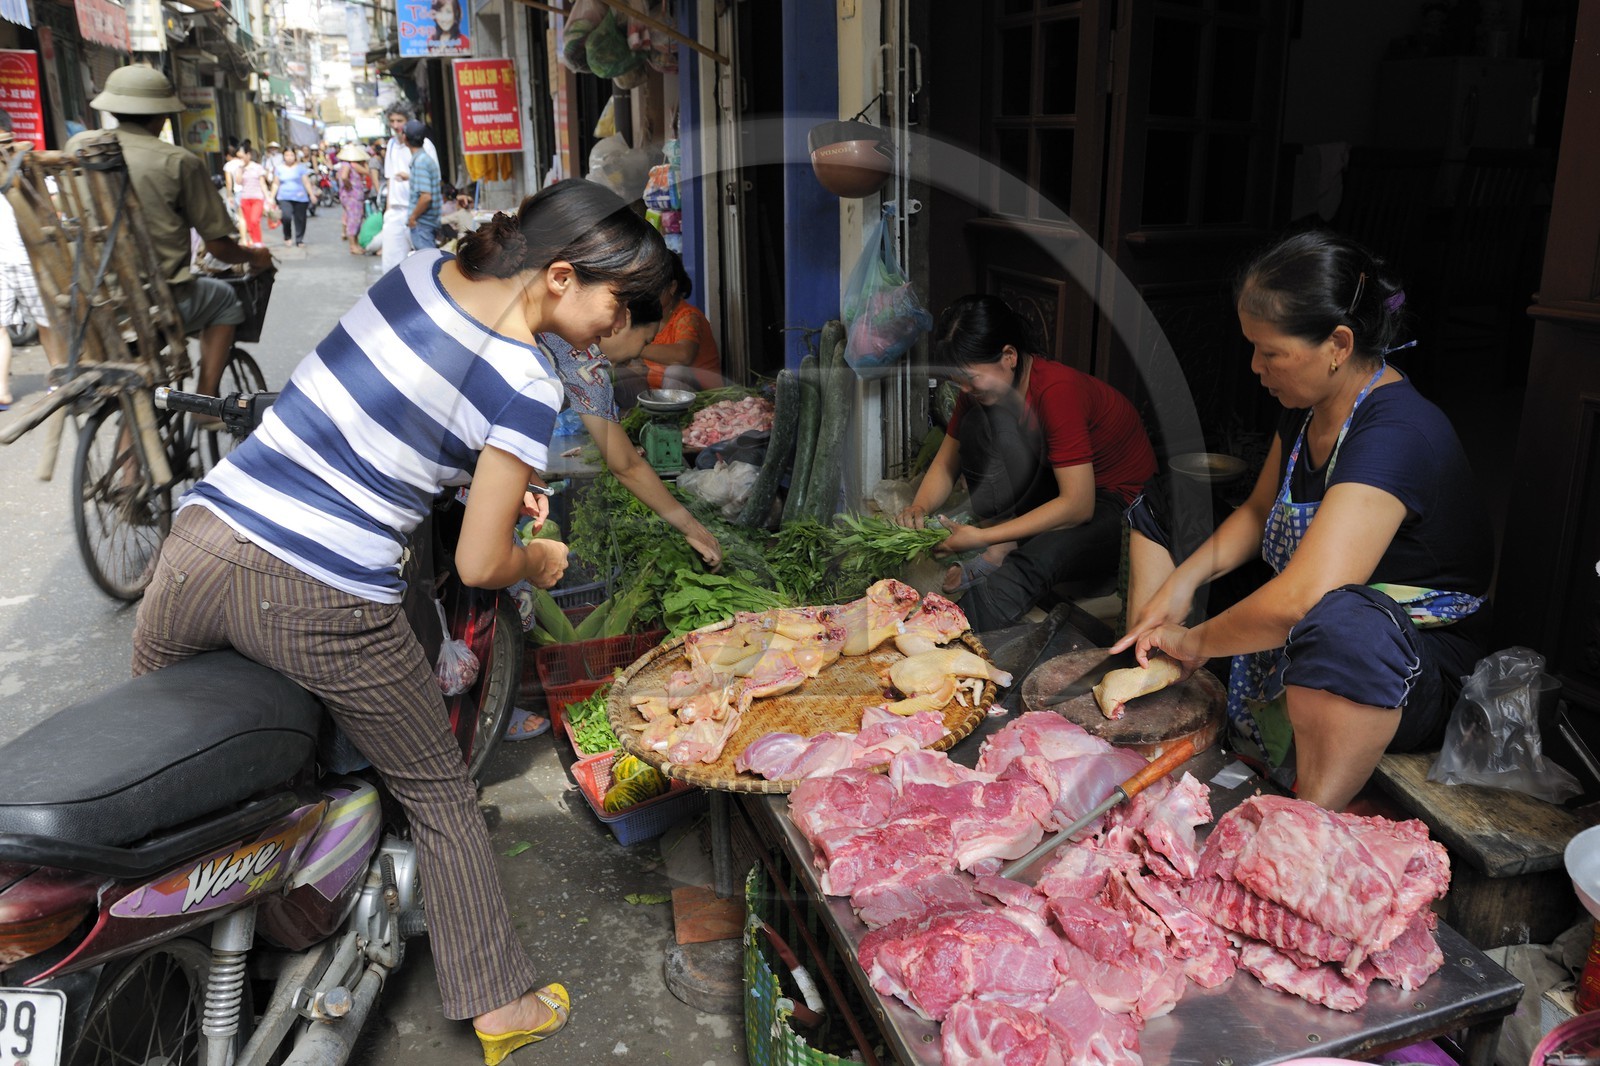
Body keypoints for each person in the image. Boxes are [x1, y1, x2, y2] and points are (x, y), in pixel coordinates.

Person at [131, 179, 673, 1060]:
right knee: (437, 789)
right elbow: (477, 564)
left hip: (198, 544)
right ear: (564, 276)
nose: (617, 327)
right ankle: (499, 1003)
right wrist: (538, 558)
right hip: (321, 592)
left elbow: (400, 410)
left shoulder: (418, 274)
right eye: (618, 303)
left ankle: (176, 961)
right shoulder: (525, 379)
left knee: (175, 785)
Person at [1113, 231, 1494, 812]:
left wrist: (1194, 641)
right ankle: (1158, 694)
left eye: (1270, 352)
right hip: (1310, 624)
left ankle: (1307, 817)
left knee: (1343, 622)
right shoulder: (1308, 406)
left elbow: (1303, 598)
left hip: (1407, 664)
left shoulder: (1396, 431)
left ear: (1338, 343)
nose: (1255, 367)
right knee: (1167, 499)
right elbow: (1259, 511)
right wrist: (1179, 585)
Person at [895, 294, 1157, 632]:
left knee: (1039, 558)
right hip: (1061, 482)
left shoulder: (1058, 391)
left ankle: (956, 627)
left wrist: (979, 536)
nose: (963, 387)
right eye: (957, 378)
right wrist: (919, 506)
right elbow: (948, 462)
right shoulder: (978, 392)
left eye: (970, 377)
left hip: (1120, 509)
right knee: (977, 425)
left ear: (1009, 356)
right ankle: (1000, 548)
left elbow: (1078, 506)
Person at [67, 66, 272, 397]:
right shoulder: (178, 161)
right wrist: (255, 256)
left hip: (92, 297)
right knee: (227, 300)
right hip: (154, 300)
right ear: (162, 116)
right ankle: (205, 399)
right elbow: (219, 247)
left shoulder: (78, 148)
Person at [0, 114, 63, 410]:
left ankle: (58, 378)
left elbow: (54, 210)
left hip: (28, 260)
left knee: (45, 323)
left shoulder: (27, 169)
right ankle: (2, 389)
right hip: (2, 262)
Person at [628, 252, 721, 395]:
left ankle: (673, 417)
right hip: (658, 398)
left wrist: (632, 347)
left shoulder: (688, 316)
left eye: (651, 285)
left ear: (672, 287)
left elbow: (683, 355)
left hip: (702, 401)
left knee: (676, 372)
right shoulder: (646, 318)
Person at [380, 104, 439, 275]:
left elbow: (433, 182)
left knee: (424, 265)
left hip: (418, 214)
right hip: (396, 213)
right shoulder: (391, 145)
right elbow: (390, 178)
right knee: (391, 267)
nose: (396, 125)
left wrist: (416, 216)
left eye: (400, 121)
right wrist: (388, 210)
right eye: (392, 121)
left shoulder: (425, 146)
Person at [403, 120, 441, 253]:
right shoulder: (424, 159)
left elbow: (426, 197)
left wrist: (412, 217)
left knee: (427, 265)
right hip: (427, 224)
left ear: (405, 138)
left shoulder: (420, 162)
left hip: (422, 224)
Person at [270, 147, 315, 247]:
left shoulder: (301, 168)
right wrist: (271, 197)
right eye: (287, 155)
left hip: (300, 198)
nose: (289, 158)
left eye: (291, 155)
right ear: (283, 156)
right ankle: (287, 236)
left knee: (300, 219)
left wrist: (311, 194)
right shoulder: (279, 168)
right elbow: (275, 184)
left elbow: (306, 182)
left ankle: (299, 239)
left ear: (295, 156)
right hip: (284, 197)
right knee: (286, 217)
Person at [336, 143, 372, 255]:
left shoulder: (345, 164)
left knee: (355, 219)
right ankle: (353, 245)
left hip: (351, 196)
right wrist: (348, 185)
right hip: (352, 196)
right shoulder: (352, 164)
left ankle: (355, 244)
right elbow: (367, 172)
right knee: (354, 220)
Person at [233, 146, 269, 246]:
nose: (240, 159)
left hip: (257, 198)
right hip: (245, 198)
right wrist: (241, 169)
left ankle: (257, 241)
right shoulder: (240, 168)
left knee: (254, 220)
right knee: (249, 222)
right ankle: (254, 241)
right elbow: (238, 182)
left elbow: (263, 183)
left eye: (242, 156)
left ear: (248, 155)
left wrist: (268, 198)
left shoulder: (257, 167)